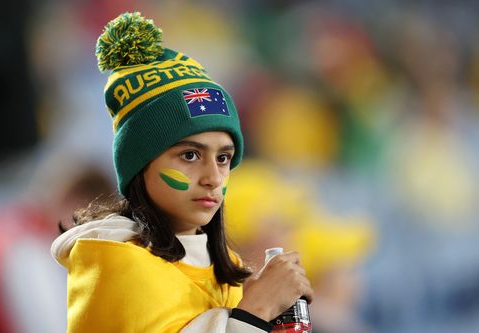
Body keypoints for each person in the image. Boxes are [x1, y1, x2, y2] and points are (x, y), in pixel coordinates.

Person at [51, 12, 313, 333]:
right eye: (190, 155)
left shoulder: (224, 271)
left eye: (224, 158)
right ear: (140, 163)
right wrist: (255, 311)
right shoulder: (115, 263)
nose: (213, 178)